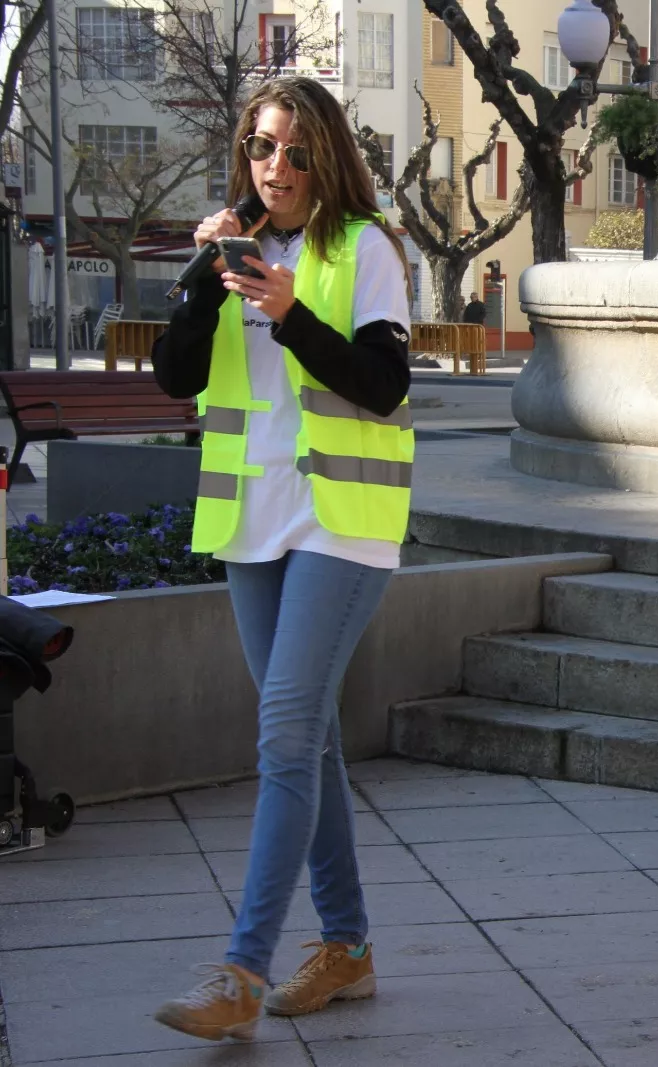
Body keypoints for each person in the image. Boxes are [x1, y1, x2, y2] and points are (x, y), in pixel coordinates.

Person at [149, 75, 414, 1042]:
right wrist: (199, 283)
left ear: (329, 158)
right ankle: (345, 946)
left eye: (298, 152)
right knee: (309, 736)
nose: (278, 167)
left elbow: (384, 385)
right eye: (263, 148)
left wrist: (294, 313)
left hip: (340, 519)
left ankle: (242, 971)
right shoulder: (234, 248)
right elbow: (178, 377)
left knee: (286, 731)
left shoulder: (367, 248)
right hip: (250, 519)